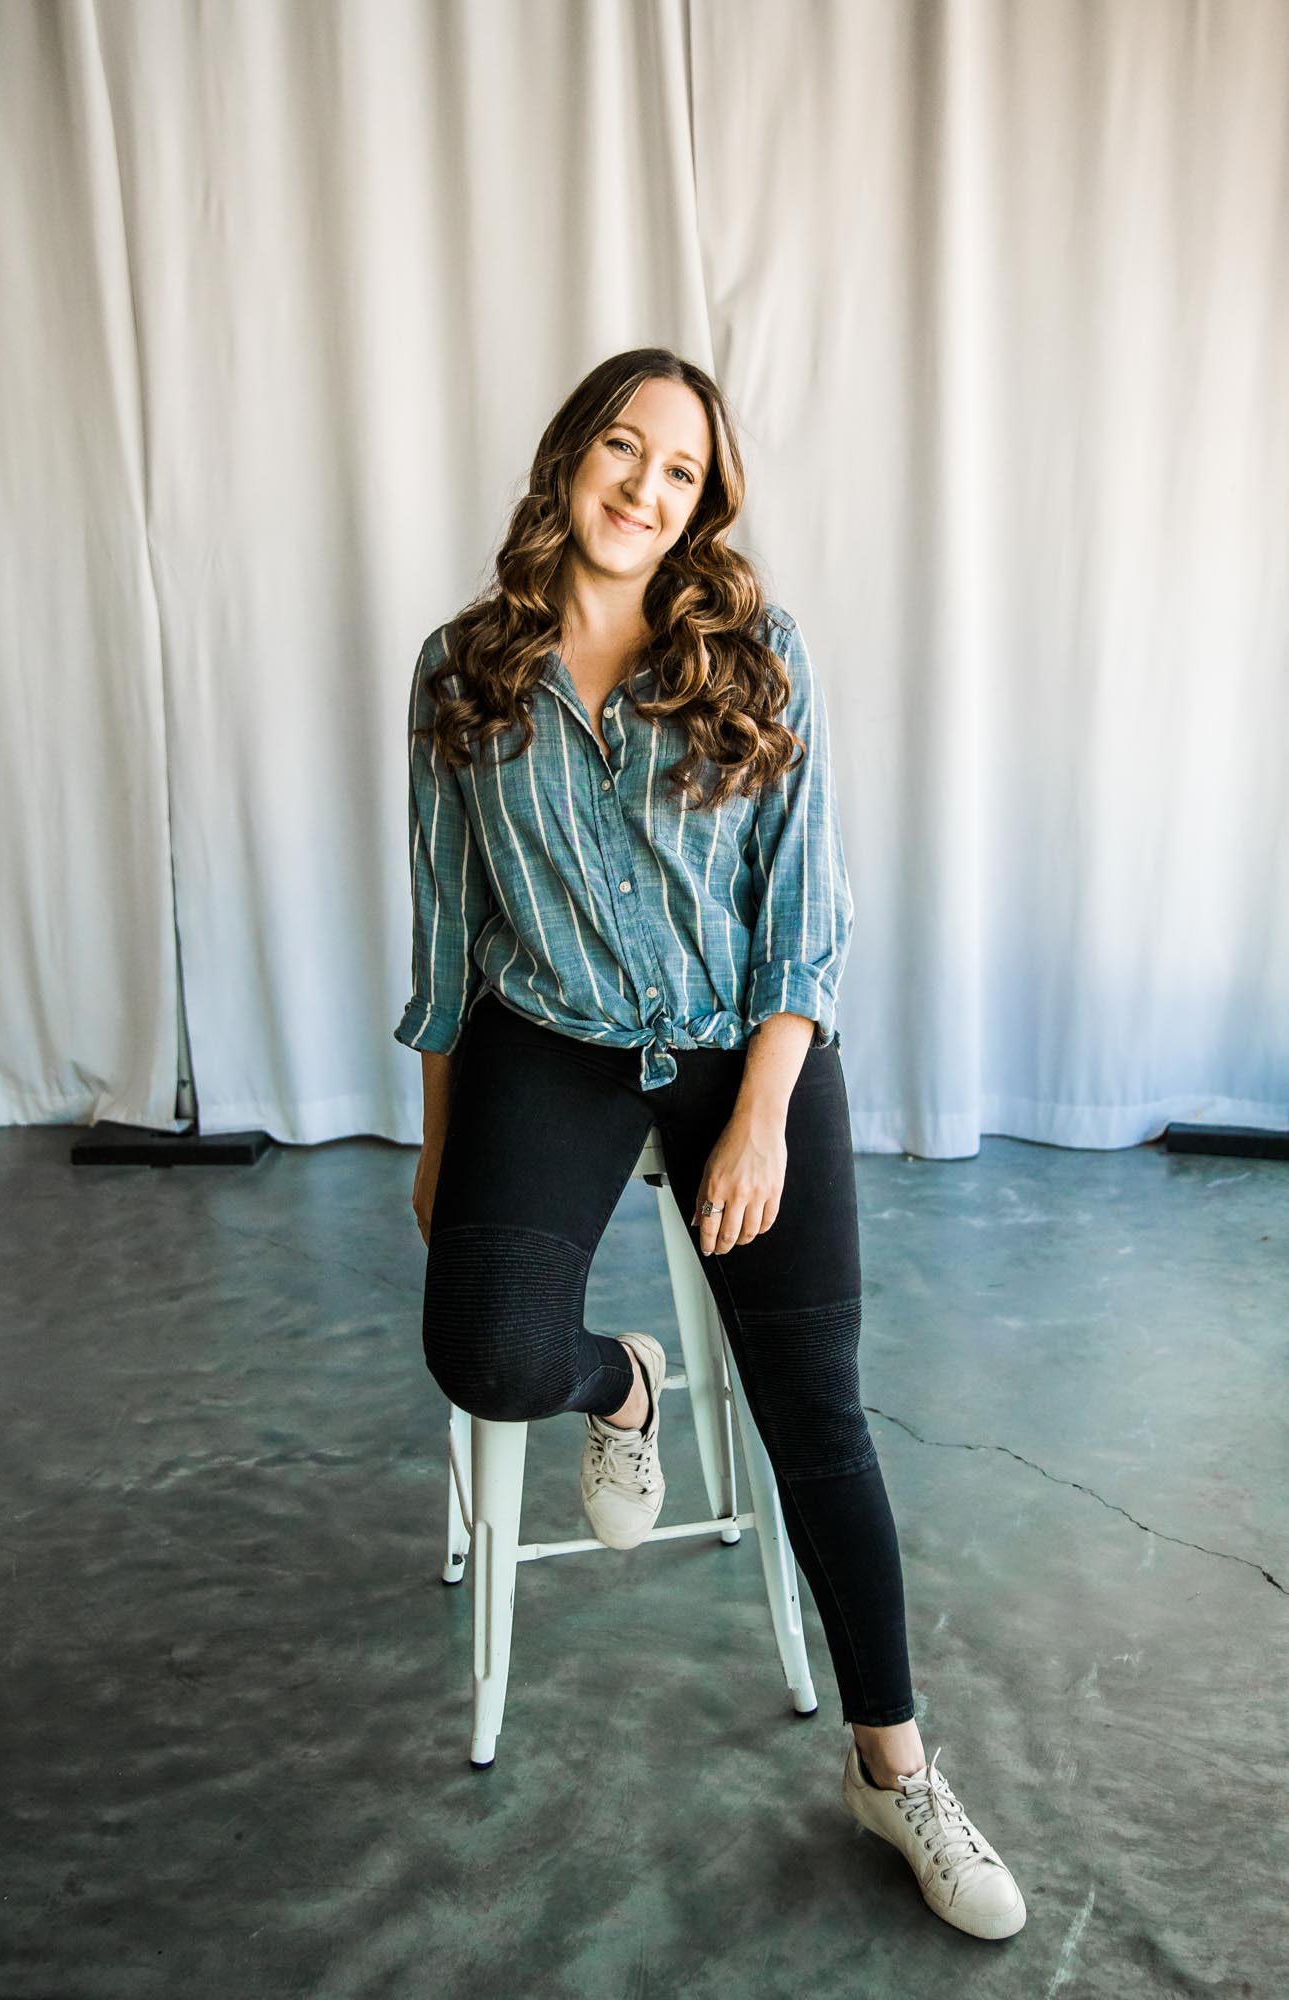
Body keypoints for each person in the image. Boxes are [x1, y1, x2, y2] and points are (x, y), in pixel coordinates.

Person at [395, 348, 1027, 1942]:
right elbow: (450, 928)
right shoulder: (464, 669)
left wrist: (759, 1114)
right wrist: (437, 1137)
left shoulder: (750, 650)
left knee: (817, 1410)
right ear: (567, 458)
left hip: (748, 1042)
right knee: (479, 1345)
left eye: (677, 473)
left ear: (699, 507)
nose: (642, 488)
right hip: (550, 1042)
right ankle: (627, 1385)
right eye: (623, 449)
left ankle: (891, 1769)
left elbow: (805, 909)